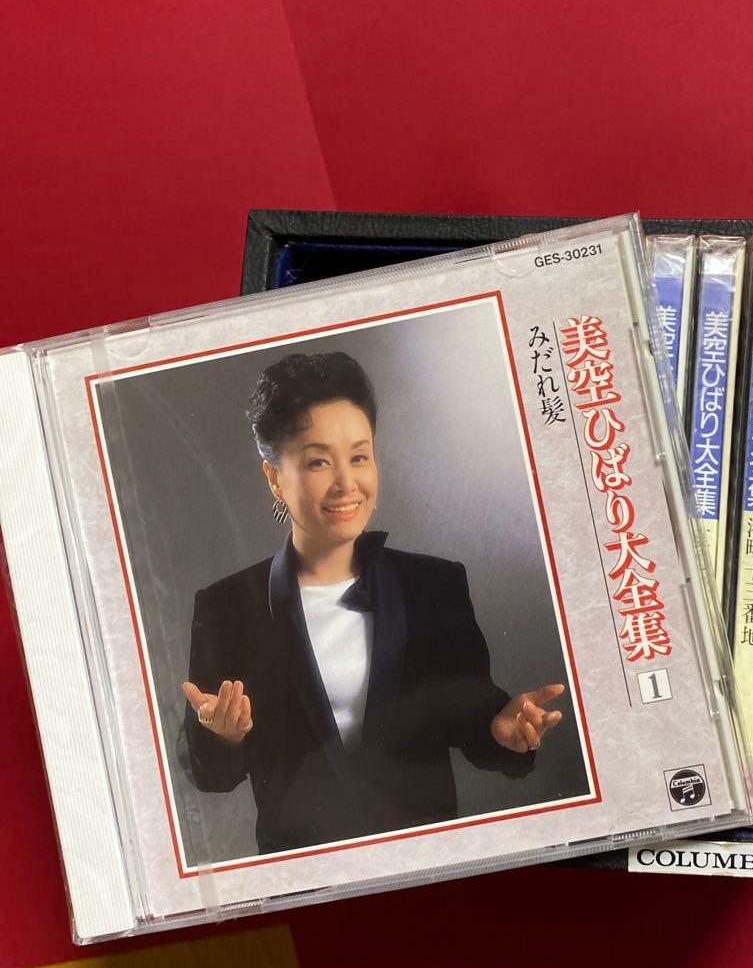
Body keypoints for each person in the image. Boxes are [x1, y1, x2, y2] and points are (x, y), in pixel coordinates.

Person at [180, 351, 565, 856]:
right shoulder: (227, 607)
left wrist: (503, 730)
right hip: (305, 872)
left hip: (429, 862)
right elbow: (209, 774)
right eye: (318, 461)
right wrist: (224, 736)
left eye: (359, 457)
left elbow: (471, 715)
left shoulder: (434, 585)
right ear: (274, 478)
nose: (347, 483)